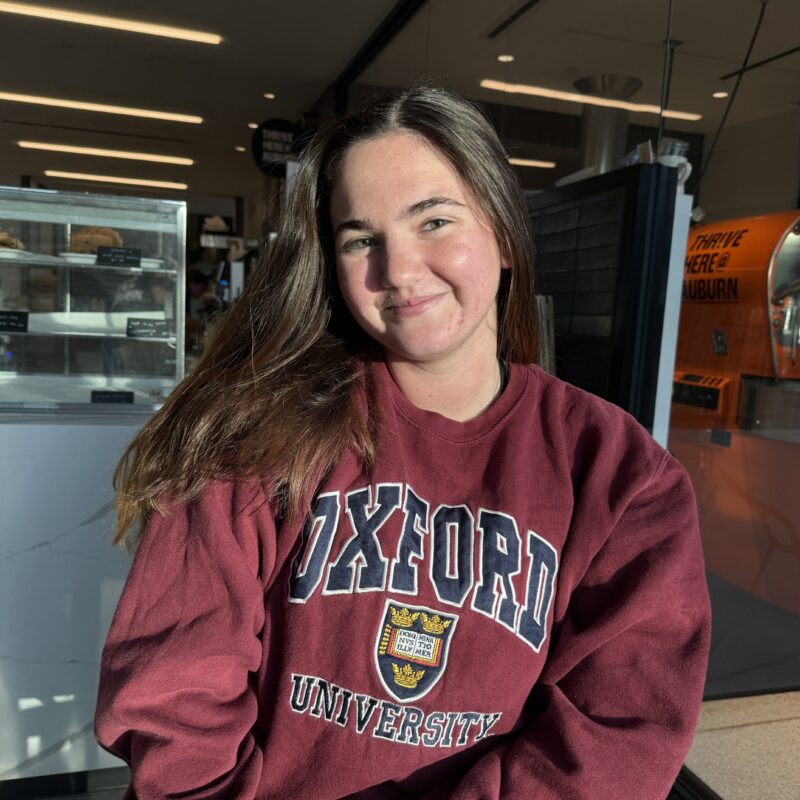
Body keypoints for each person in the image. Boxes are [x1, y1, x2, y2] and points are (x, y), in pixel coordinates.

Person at [94, 85, 710, 799]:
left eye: (435, 221)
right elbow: (172, 694)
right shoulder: (254, 434)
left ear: (505, 234)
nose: (400, 271)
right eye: (362, 239)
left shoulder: (622, 477)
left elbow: (620, 731)